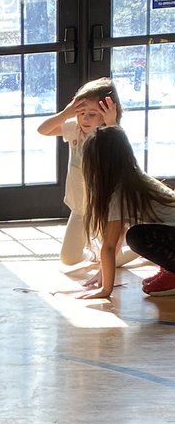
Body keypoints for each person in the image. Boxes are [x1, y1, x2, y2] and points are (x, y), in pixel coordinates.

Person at [75, 125, 175, 300]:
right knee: (140, 232)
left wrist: (106, 290)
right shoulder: (134, 179)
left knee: (137, 236)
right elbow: (116, 238)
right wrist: (103, 273)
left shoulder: (119, 192)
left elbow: (109, 245)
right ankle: (169, 269)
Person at [37, 78, 122, 269]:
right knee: (69, 258)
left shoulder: (111, 135)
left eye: (92, 114)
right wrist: (66, 113)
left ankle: (135, 250)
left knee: (113, 257)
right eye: (81, 113)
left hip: (105, 209)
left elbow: (120, 155)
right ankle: (94, 255)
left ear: (107, 114)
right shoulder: (75, 130)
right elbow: (43, 130)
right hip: (80, 208)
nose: (85, 119)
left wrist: (111, 124)